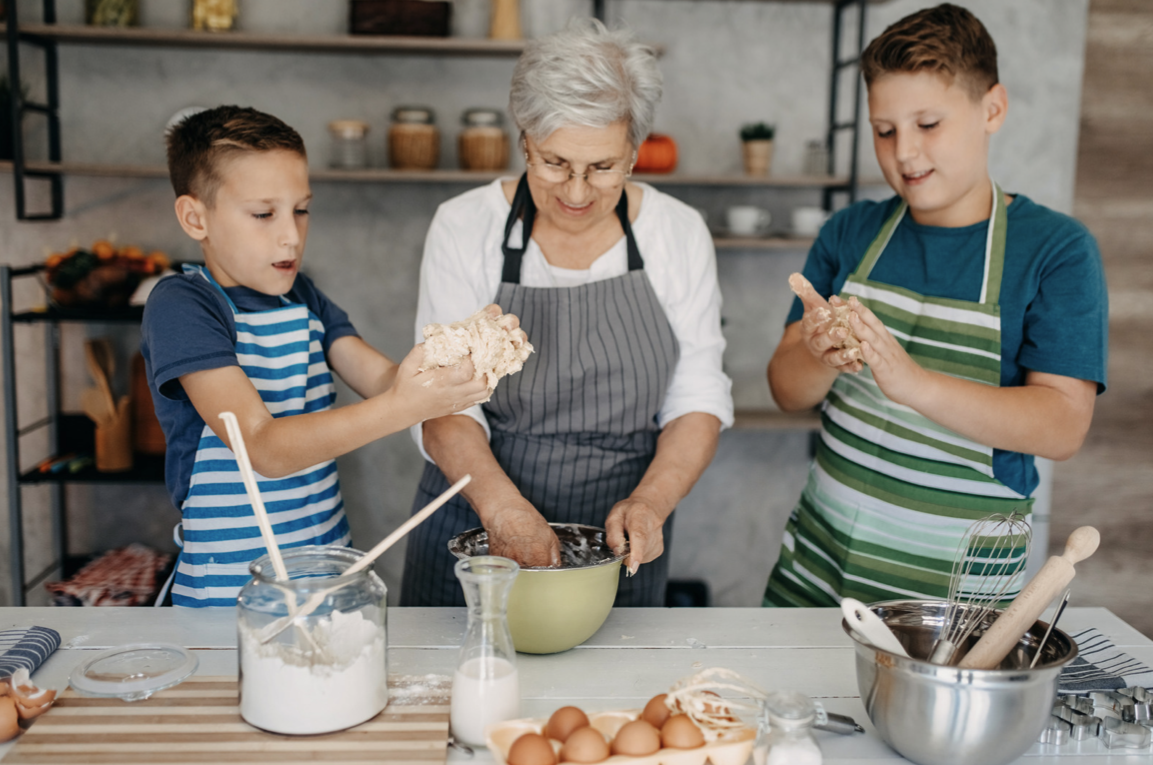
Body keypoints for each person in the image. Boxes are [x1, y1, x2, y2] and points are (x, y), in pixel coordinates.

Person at [763, 4, 1107, 607]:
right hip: (819, 576)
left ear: (992, 109)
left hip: (953, 605)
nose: (904, 153)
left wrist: (914, 384)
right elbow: (787, 391)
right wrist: (818, 355)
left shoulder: (1054, 249)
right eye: (885, 129)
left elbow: (1062, 426)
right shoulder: (851, 233)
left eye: (928, 123)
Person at [401, 19, 733, 607]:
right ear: (524, 138)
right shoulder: (464, 226)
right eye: (553, 163)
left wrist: (651, 502)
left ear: (634, 151)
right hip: (476, 509)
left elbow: (697, 396)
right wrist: (502, 509)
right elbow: (440, 400)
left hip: (620, 531)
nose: (576, 193)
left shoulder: (676, 233)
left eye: (603, 168)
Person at [142, 106, 494, 607]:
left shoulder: (303, 296)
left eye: (300, 209)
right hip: (232, 592)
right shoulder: (183, 305)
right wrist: (404, 408)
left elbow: (386, 379)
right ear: (195, 217)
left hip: (328, 574)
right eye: (264, 214)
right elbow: (261, 447)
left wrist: (459, 360)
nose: (291, 234)